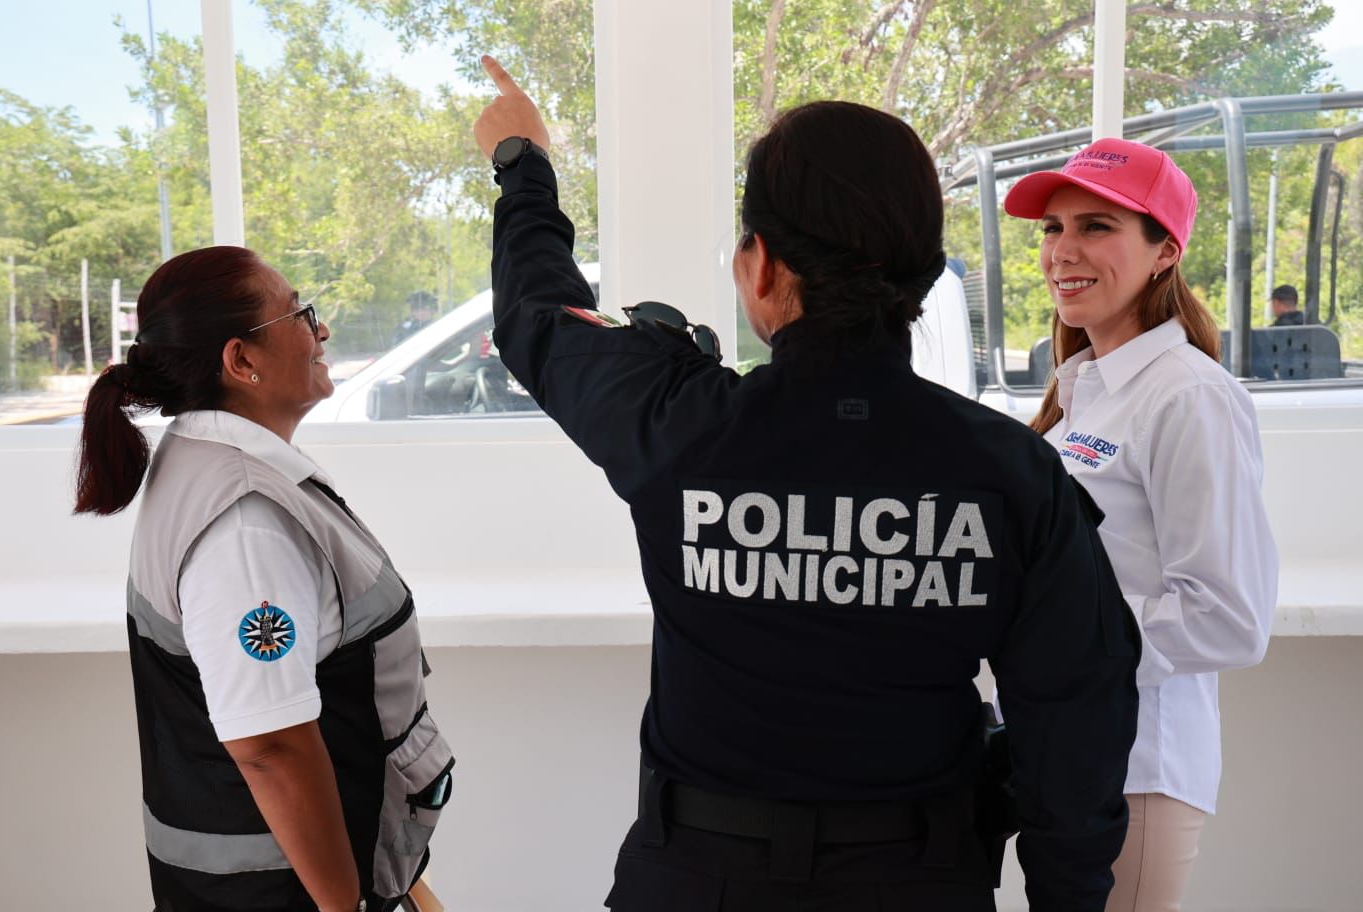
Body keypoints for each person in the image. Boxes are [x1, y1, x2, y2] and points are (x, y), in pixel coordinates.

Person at [475, 56, 1138, 911]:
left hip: (696, 880)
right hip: (919, 879)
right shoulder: (1010, 470)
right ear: (927, 274)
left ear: (761, 269)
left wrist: (523, 163)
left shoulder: (676, 423)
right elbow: (1075, 718)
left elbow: (536, 315)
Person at [74, 246, 453, 912]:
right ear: (241, 360)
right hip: (284, 892)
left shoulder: (213, 464)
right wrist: (346, 905)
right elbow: (270, 746)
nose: (322, 330)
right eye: (301, 314)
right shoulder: (245, 522)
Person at [1004, 138, 1279, 912]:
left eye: (1096, 226)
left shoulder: (1189, 395)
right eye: (1053, 229)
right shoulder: (1086, 388)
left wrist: (1047, 646)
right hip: (1065, 758)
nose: (1063, 251)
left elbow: (1228, 619)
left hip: (1137, 772)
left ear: (1164, 251)